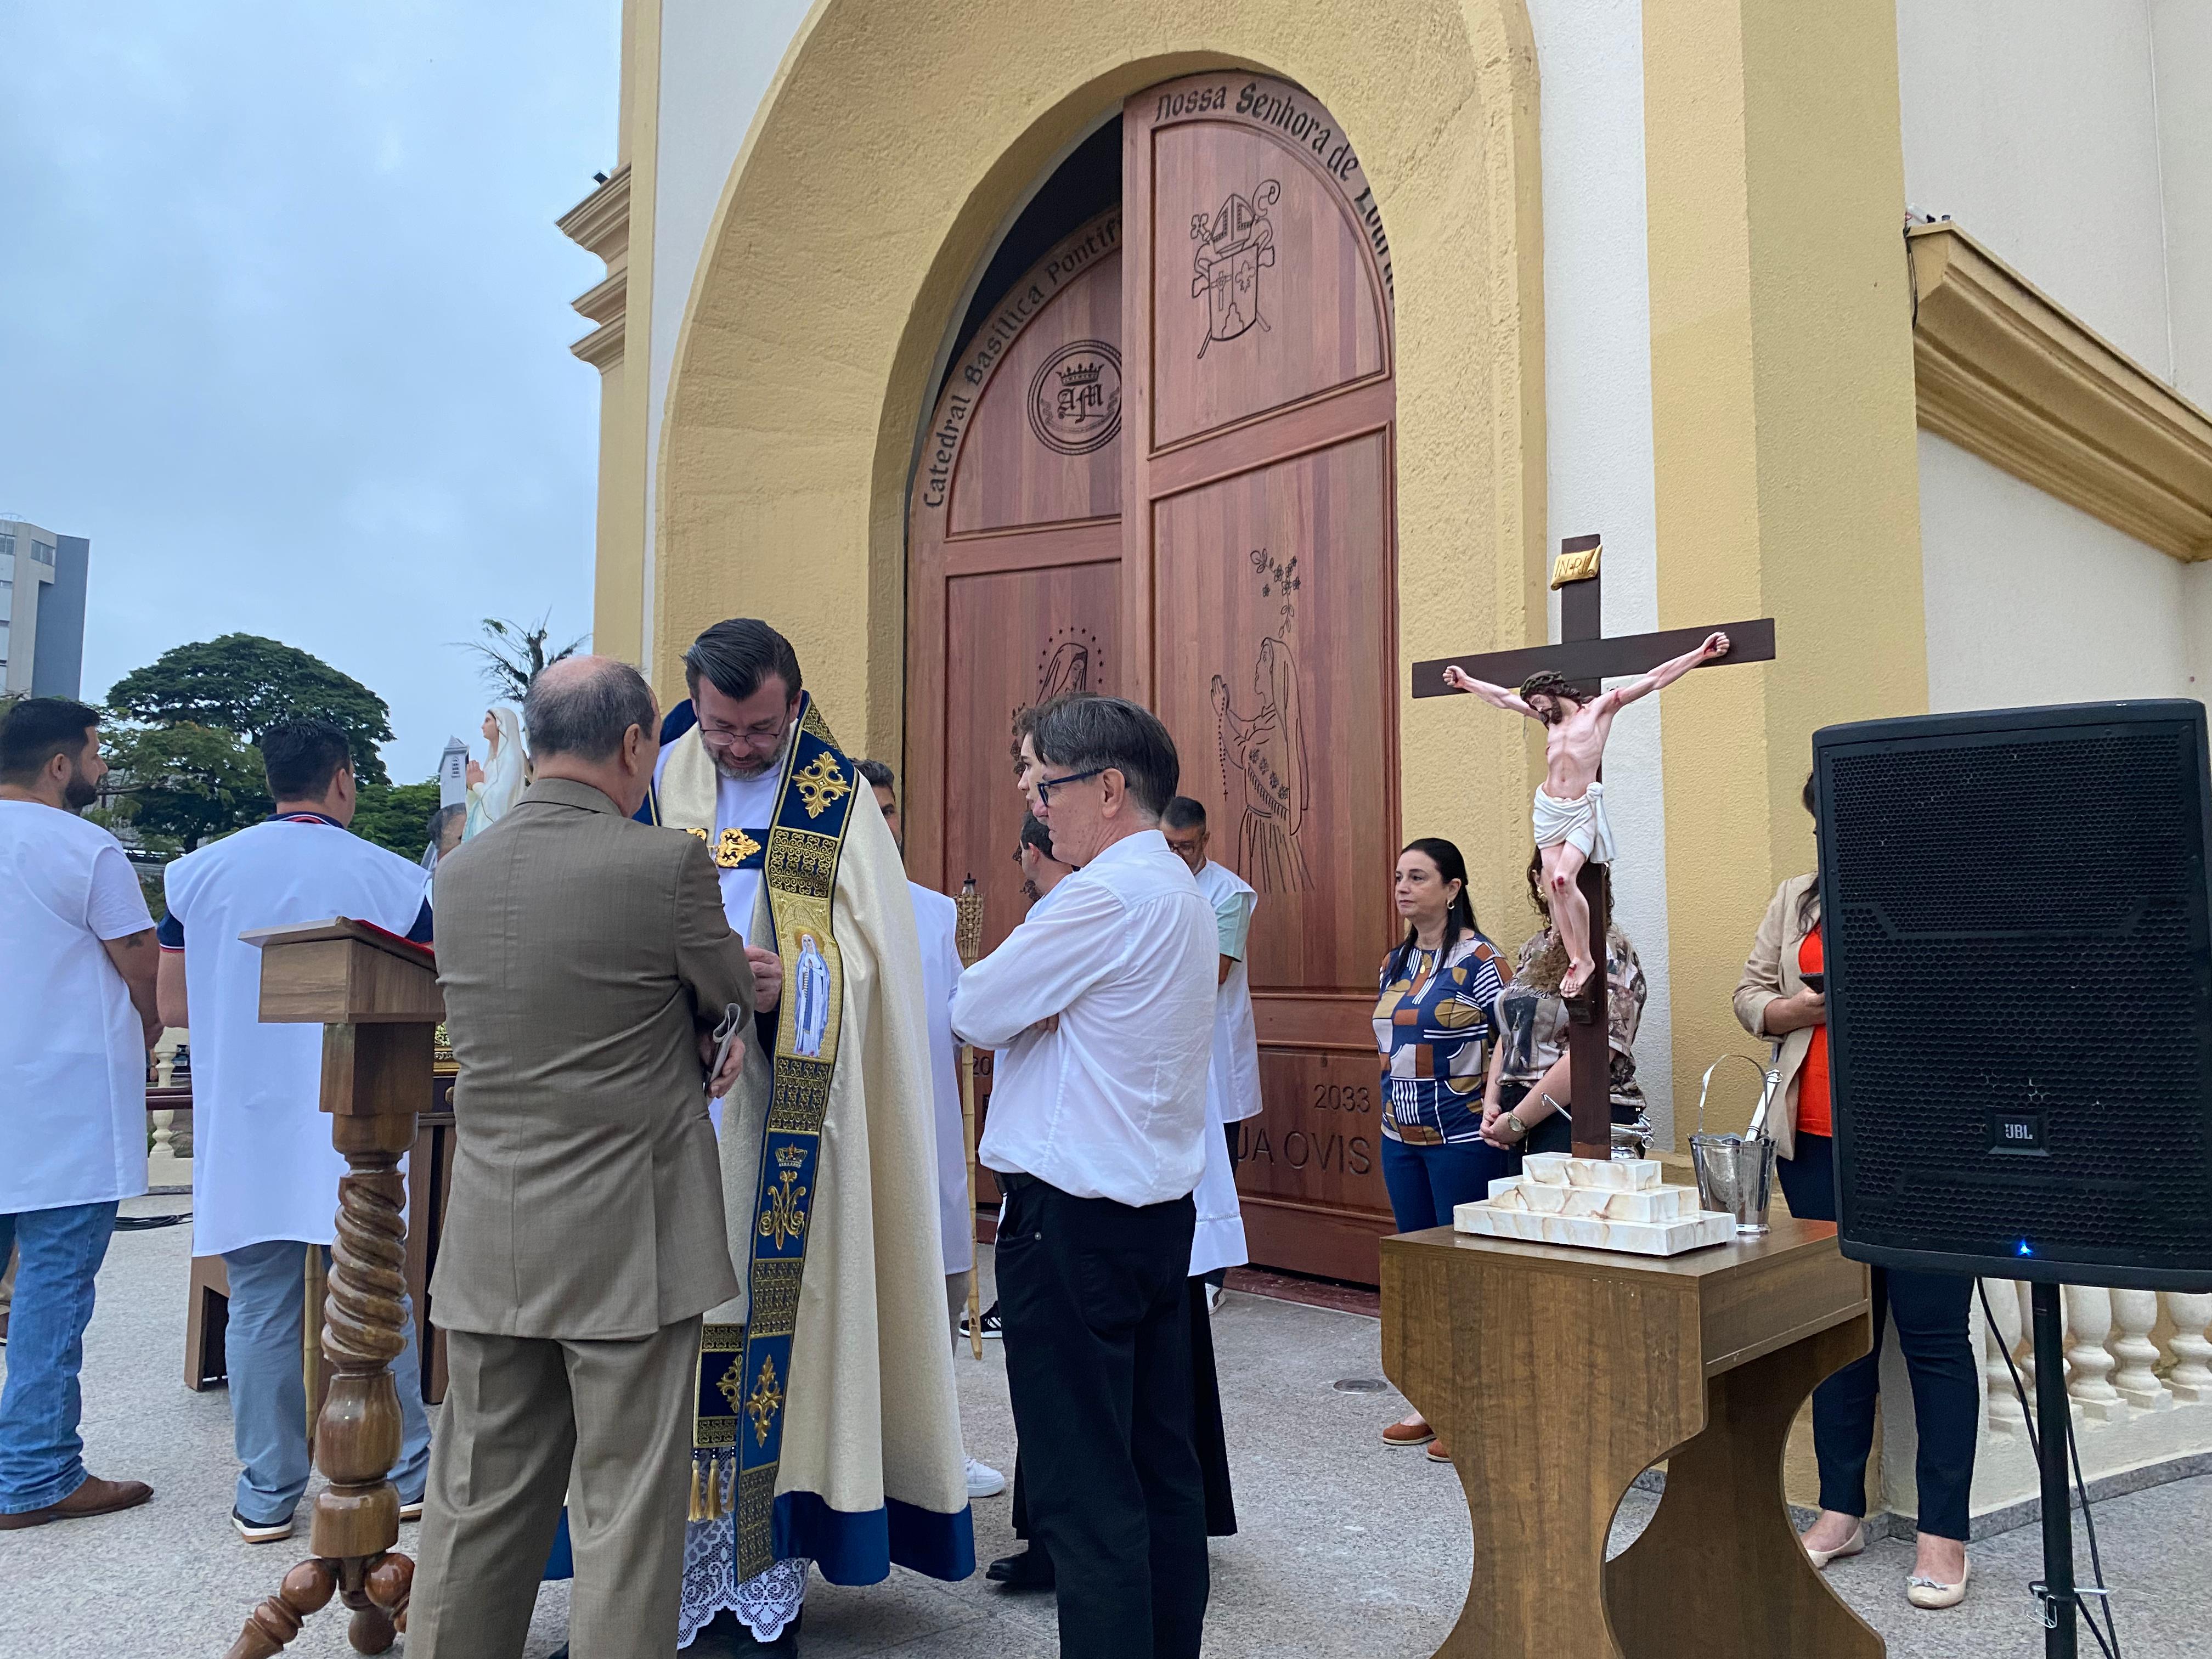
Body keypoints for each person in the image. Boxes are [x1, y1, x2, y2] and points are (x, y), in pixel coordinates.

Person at [405, 657, 754, 1659]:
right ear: (635, 744)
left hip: (493, 1233)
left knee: (475, 1503)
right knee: (626, 1517)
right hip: (627, 1240)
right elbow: (725, 984)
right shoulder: (663, 863)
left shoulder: (459, 870)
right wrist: (704, 1024)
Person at [640, 619, 972, 1649]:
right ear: (692, 699)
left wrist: (801, 982)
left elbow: (881, 960)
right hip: (664, 1111)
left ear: (794, 702)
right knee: (663, 1353)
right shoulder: (656, 779)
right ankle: (664, 1589)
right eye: (723, 724)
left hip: (782, 1120)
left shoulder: (831, 796)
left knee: (767, 1346)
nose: (740, 746)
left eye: (761, 725)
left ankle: (755, 1585)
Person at [951, 693, 1217, 1659]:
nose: (1034, 800)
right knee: (1159, 1470)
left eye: (1044, 780)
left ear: (1108, 788)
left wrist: (1033, 1011)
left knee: (1084, 1490)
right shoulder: (1182, 892)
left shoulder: (1099, 895)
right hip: (1153, 1217)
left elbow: (976, 1006)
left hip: (1069, 1222)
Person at [156, 718, 437, 1544]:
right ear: (344, 780)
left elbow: (172, 1006)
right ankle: (407, 1469)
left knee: (261, 1305)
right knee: (377, 1289)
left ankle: (267, 1494)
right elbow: (431, 994)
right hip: (360, 1105)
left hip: (247, 1116)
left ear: (270, 778)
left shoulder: (196, 874)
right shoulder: (389, 876)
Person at [1735, 773, 1974, 1610]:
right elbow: (1748, 994)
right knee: (1841, 1334)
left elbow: (1976, 1003)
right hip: (1819, 1146)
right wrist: (1789, 1013)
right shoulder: (1796, 896)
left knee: (1936, 1339)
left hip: (1925, 1148)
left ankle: (1944, 1535)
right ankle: (1842, 1512)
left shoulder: (1945, 892)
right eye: (1824, 815)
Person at [0, 698, 161, 1531]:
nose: (100, 768)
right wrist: (151, 1017)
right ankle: (34, 1472)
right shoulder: (84, 845)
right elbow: (137, 955)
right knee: (53, 1289)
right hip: (60, 1095)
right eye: (95, 754)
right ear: (61, 765)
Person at [856, 755, 1007, 1503]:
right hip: (849, 1142)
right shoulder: (806, 905)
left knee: (934, 1301)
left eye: (889, 810)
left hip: (931, 1138)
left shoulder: (935, 912)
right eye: (866, 811)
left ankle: (936, 1448)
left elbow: (959, 1026)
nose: (881, 825)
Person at [1441, 633, 1729, 995]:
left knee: (1564, 880)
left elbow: (1654, 679)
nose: (1539, 711)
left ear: (1554, 691)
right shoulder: (1550, 721)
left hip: (1580, 811)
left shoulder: (1600, 711)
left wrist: (1699, 654)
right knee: (1551, 884)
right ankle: (1573, 955)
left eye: (1542, 703)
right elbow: (1502, 699)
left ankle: (1585, 958)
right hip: (1548, 809)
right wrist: (1466, 682)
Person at [1371, 837, 1509, 1461]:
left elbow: (1511, 1041)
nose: (1404, 887)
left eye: (1419, 877)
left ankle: (1472, 1409)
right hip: (1401, 1138)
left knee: (1465, 1277)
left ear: (1453, 889)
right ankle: (1430, 1400)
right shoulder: (1394, 964)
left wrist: (1495, 1108)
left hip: (1461, 1139)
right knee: (1422, 1276)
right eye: (1400, 877)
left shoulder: (1482, 960)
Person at [1479, 848, 1648, 1160]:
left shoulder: (1609, 950)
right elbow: (1512, 1031)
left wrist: (1519, 1119)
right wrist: (1493, 1103)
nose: (1564, 876)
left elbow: (1598, 1050)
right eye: (1555, 866)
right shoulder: (1533, 948)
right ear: (1537, 879)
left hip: (1580, 1114)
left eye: (1578, 867)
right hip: (1516, 1115)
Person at [1159, 797, 1260, 1304]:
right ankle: (1179, 1262)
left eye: (1188, 847)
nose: (1179, 856)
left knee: (1221, 1155)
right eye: (1170, 846)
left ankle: (1214, 1276)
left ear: (1206, 841)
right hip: (1167, 1045)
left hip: (1216, 1045)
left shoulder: (1228, 893)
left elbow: (1213, 973)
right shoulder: (1155, 882)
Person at [462, 704, 525, 839]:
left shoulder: (511, 759)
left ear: (501, 724)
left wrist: (478, 785)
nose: (482, 726)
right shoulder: (490, 763)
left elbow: (501, 802)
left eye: (488, 720)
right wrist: (471, 788)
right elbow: (477, 807)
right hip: (480, 832)